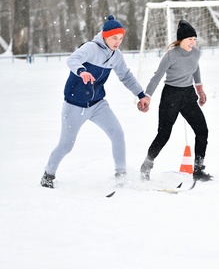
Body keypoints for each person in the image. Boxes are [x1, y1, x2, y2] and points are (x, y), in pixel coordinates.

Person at [40, 15, 150, 188]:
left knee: (117, 134)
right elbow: (72, 59)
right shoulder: (91, 48)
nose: (117, 42)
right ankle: (48, 174)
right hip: (75, 105)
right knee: (66, 145)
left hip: (98, 104)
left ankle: (121, 175)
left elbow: (126, 76)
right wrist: (82, 71)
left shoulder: (116, 55)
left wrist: (141, 94)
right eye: (114, 38)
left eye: (120, 38)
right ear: (105, 35)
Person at [139, 20, 211, 182]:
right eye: (189, 39)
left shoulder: (196, 53)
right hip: (171, 95)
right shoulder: (171, 55)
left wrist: (200, 90)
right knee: (164, 134)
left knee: (202, 131)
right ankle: (146, 165)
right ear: (181, 40)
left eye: (194, 39)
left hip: (188, 95)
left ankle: (198, 169)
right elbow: (157, 77)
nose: (192, 42)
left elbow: (196, 69)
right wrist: (147, 96)